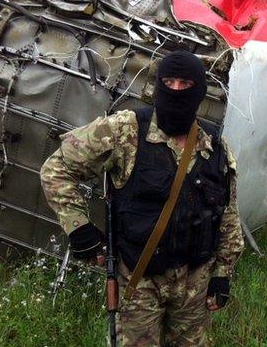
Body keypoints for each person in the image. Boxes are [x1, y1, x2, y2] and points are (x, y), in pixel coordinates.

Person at [40, 50, 244, 346]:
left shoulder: (214, 144)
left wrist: (223, 273)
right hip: (139, 281)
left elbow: (227, 213)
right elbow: (56, 169)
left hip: (194, 283)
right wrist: (79, 228)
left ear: (199, 91)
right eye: (168, 82)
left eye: (185, 84)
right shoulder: (125, 130)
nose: (175, 90)